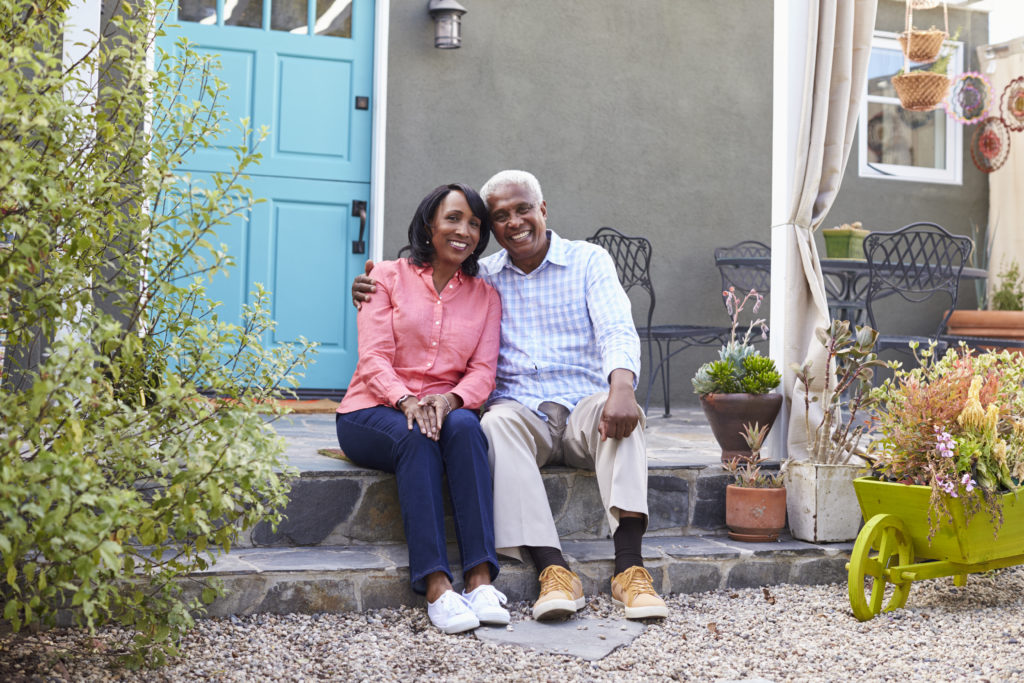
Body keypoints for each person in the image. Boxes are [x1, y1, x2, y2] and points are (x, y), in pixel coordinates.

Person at [354, 170, 668, 621]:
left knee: (622, 413)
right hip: (522, 410)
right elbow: (419, 282)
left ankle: (630, 569)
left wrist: (622, 385)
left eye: (523, 209)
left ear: (543, 210)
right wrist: (368, 283)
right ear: (492, 229)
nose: (514, 221)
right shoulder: (484, 278)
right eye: (500, 216)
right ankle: (552, 570)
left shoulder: (588, 260)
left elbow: (617, 327)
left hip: (584, 405)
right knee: (494, 423)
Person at [336, 183, 507, 634]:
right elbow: (373, 359)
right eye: (453, 218)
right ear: (430, 224)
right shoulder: (386, 277)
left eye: (474, 223)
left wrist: (449, 399)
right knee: (416, 436)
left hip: (443, 408)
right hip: (370, 410)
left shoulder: (485, 296)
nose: (464, 230)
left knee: (469, 429)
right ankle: (436, 585)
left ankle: (479, 578)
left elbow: (482, 372)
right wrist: (407, 400)